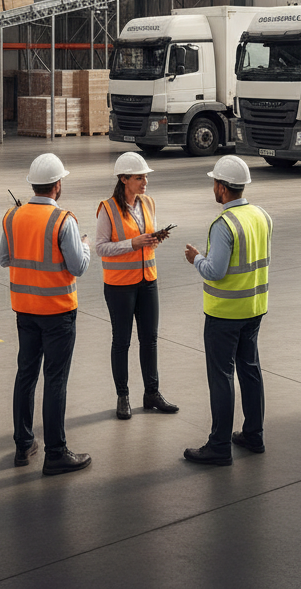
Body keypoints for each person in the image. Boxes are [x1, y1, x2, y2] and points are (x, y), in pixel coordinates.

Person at [0, 152, 92, 476]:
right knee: (55, 380)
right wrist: (85, 245)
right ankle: (56, 452)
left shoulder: (12, 217)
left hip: (24, 310)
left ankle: (24, 445)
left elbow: (4, 258)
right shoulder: (64, 220)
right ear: (57, 185)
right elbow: (78, 266)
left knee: (26, 375)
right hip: (57, 312)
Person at [182, 155, 271, 466]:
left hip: (225, 314)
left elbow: (215, 271)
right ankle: (254, 435)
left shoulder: (224, 224)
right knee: (250, 370)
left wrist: (195, 258)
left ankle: (219, 445)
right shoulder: (261, 215)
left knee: (221, 377)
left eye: (214, 183)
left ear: (221, 187)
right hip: (255, 308)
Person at [96, 152, 179, 420]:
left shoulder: (148, 203)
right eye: (139, 177)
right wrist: (133, 244)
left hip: (148, 281)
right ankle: (123, 396)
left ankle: (151, 393)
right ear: (124, 179)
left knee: (150, 339)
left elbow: (145, 239)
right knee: (122, 341)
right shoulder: (107, 209)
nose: (145, 182)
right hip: (120, 285)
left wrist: (153, 240)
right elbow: (100, 247)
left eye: (145, 177)